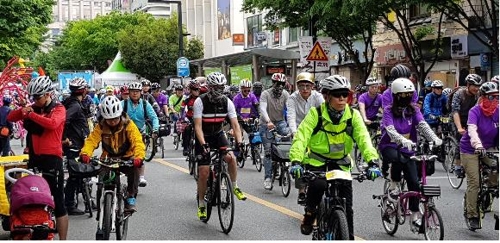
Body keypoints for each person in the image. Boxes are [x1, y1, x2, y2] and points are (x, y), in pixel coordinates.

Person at [289, 75, 382, 239]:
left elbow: (363, 139)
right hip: (317, 160)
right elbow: (301, 138)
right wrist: (296, 161)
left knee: (348, 206)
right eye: (337, 94)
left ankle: (349, 237)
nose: (341, 99)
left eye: (345, 95)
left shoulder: (353, 115)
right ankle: (310, 214)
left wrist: (372, 162)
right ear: (326, 96)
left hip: (341, 162)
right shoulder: (315, 114)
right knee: (318, 186)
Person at [7, 76, 68, 240]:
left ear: (48, 94)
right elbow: (11, 117)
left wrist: (31, 114)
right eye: (32, 97)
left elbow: (52, 124)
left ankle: (64, 239)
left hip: (52, 160)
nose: (35, 100)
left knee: (59, 202)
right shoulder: (33, 108)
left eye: (37, 97)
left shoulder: (59, 108)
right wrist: (23, 111)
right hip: (35, 158)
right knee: (34, 198)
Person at [378, 78, 442, 231]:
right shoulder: (388, 110)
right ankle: (393, 186)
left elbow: (422, 125)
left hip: (409, 149)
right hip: (389, 146)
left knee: (414, 183)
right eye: (402, 95)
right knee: (396, 158)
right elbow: (390, 130)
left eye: (409, 94)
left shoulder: (414, 110)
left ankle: (414, 216)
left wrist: (434, 138)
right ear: (395, 95)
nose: (406, 97)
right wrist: (401, 140)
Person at [193, 72, 247, 220]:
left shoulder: (227, 101)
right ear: (209, 87)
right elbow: (197, 127)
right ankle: (202, 204)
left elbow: (235, 125)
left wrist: (240, 142)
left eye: (221, 87)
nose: (219, 90)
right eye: (216, 87)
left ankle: (234, 186)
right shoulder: (200, 101)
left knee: (231, 157)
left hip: (218, 134)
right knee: (204, 171)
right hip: (203, 135)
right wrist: (203, 144)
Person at [80, 96, 145, 212]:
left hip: (126, 158)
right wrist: (85, 153)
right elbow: (91, 141)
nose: (113, 122)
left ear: (120, 115)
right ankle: (102, 209)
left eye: (115, 118)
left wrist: (139, 157)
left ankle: (130, 197)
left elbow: (137, 141)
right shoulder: (100, 126)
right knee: (103, 182)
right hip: (108, 159)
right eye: (109, 120)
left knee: (135, 171)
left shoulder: (129, 125)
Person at [460, 81, 499, 230]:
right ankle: (472, 215)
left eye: (497, 97)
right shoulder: (474, 111)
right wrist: (477, 145)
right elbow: (472, 130)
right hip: (470, 149)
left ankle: (488, 193)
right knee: (474, 182)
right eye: (491, 97)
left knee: (495, 169)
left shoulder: (498, 110)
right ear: (482, 97)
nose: (494, 100)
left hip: (489, 147)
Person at [286, 72, 324, 204]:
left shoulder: (318, 97)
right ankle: (301, 191)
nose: (305, 89)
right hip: (299, 131)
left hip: (316, 132)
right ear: (297, 86)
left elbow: (325, 114)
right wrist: (294, 132)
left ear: (312, 86)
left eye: (308, 86)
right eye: (301, 86)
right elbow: (291, 116)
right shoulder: (292, 98)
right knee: (299, 160)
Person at [62, 78, 91, 215]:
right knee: (75, 175)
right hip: (74, 144)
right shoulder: (75, 106)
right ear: (83, 90)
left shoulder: (71, 102)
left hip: (78, 142)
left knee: (81, 174)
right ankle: (70, 204)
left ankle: (88, 200)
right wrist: (64, 138)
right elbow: (64, 120)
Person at [122, 82, 159, 187]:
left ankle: (141, 177)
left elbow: (154, 117)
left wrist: (155, 129)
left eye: (137, 92)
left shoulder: (145, 104)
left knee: (139, 155)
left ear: (140, 93)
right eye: (132, 92)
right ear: (129, 93)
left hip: (140, 133)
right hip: (124, 133)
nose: (134, 94)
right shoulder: (123, 104)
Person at [259, 73, 290, 190]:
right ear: (273, 83)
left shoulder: (286, 94)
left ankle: (285, 167)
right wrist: (268, 121)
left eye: (282, 84)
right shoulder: (265, 94)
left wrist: (292, 125)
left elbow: (289, 108)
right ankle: (267, 177)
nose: (280, 86)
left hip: (281, 122)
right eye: (278, 84)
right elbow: (262, 109)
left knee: (286, 143)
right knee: (268, 151)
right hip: (266, 124)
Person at [451, 74, 483, 177]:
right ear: (468, 85)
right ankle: (457, 165)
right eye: (474, 86)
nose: (477, 88)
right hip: (459, 118)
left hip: (472, 119)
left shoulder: (479, 95)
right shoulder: (459, 94)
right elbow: (455, 111)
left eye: (478, 86)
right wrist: (459, 128)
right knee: (460, 140)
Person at [180, 80, 201, 156]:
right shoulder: (187, 99)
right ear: (191, 90)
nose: (197, 91)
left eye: (198, 89)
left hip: (199, 118)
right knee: (187, 129)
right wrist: (182, 119)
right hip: (190, 118)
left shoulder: (202, 99)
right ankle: (186, 148)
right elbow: (182, 110)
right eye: (195, 90)